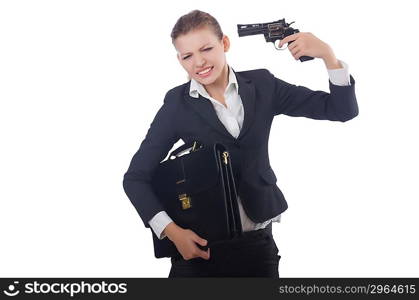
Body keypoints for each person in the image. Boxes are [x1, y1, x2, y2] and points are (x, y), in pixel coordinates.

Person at [122, 9, 358, 278]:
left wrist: (327, 55)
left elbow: (342, 110)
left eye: (206, 49)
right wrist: (172, 233)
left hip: (258, 250)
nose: (199, 62)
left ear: (224, 43)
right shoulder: (177, 104)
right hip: (199, 250)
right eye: (188, 56)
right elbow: (135, 178)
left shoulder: (263, 84)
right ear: (180, 60)